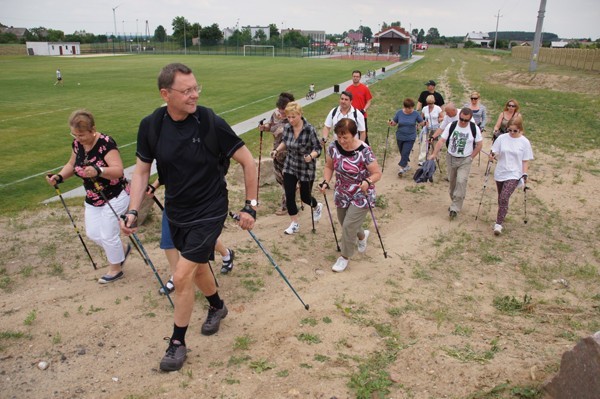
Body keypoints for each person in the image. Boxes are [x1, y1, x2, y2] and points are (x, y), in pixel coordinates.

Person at [121, 63, 257, 372]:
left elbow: (248, 161)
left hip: (210, 209)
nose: (194, 95)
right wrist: (132, 209)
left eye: (196, 88)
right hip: (177, 210)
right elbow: (141, 171)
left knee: (180, 276)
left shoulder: (209, 121)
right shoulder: (152, 126)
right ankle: (218, 306)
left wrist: (250, 205)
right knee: (195, 271)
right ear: (165, 94)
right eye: (187, 90)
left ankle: (177, 343)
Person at [46, 109, 131, 283]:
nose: (78, 138)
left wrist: (99, 170)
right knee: (93, 233)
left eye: (81, 135)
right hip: (93, 197)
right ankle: (121, 250)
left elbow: (118, 170)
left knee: (108, 235)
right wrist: (60, 177)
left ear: (93, 130)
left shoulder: (106, 143)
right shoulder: (77, 144)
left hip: (114, 195)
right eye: (74, 134)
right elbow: (72, 164)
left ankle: (115, 268)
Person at [145, 181, 235, 297]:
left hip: (199, 198)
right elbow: (166, 168)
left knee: (199, 240)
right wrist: (154, 185)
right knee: (168, 238)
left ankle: (226, 254)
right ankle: (176, 276)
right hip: (174, 199)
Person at [319, 119, 382, 272]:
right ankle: (362, 236)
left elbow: (377, 173)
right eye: (339, 137)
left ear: (353, 135)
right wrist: (326, 181)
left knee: (348, 225)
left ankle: (344, 257)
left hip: (361, 193)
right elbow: (329, 166)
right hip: (342, 192)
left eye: (345, 137)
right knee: (345, 222)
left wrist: (368, 181)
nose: (341, 140)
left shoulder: (364, 150)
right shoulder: (334, 147)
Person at [271, 101, 322, 235]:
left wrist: (311, 156)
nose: (291, 120)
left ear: (300, 114)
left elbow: (318, 148)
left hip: (306, 167)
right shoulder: (287, 128)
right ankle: (294, 223)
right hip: (291, 165)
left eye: (294, 117)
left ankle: (316, 206)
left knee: (305, 197)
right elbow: (285, 142)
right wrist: (277, 151)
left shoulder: (309, 129)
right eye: (288, 117)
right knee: (289, 195)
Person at [429, 108, 483, 220]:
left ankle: (455, 208)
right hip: (451, 158)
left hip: (465, 160)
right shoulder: (452, 126)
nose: (463, 122)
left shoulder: (474, 128)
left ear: (470, 119)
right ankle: (455, 200)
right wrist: (434, 154)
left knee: (461, 181)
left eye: (466, 120)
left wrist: (471, 157)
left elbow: (479, 145)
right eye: (461, 119)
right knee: (452, 183)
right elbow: (441, 141)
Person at [489, 115, 533, 235]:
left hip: (515, 173)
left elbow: (525, 160)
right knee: (501, 197)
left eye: (515, 131)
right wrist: (492, 155)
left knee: (504, 196)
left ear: (520, 129)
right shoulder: (502, 138)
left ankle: (498, 224)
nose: (512, 133)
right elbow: (494, 151)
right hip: (501, 172)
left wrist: (524, 174)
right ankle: (502, 212)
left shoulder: (524, 142)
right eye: (510, 130)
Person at [259, 92, 295, 216]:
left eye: (283, 110)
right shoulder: (275, 115)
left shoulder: (293, 118)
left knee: (286, 180)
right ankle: (294, 189)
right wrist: (265, 127)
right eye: (280, 110)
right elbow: (272, 125)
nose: (281, 113)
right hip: (276, 153)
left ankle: (286, 206)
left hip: (290, 153)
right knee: (279, 178)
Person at [388, 98, 424, 176]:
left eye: (412, 107)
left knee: (405, 152)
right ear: (405, 107)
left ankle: (401, 168)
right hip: (400, 136)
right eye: (410, 108)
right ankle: (406, 165)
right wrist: (391, 123)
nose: (411, 109)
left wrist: (424, 123)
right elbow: (394, 123)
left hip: (410, 137)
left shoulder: (415, 114)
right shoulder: (399, 113)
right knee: (402, 152)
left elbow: (421, 122)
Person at [345, 70, 373, 144]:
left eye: (357, 77)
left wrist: (364, 109)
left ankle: (366, 152)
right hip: (351, 116)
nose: (355, 78)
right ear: (352, 77)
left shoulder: (364, 88)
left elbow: (369, 101)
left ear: (360, 78)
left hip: (362, 116)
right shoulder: (348, 89)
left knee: (364, 136)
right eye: (354, 76)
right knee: (350, 135)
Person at [418, 94, 443, 165]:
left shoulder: (438, 108)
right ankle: (422, 160)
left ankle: (433, 158)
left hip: (435, 128)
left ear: (434, 102)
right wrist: (423, 123)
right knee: (424, 144)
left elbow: (442, 117)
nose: (430, 105)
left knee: (434, 144)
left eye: (431, 103)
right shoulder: (425, 108)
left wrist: (439, 120)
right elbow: (421, 118)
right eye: (428, 103)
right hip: (427, 129)